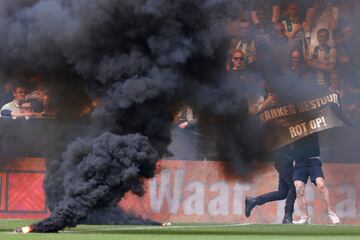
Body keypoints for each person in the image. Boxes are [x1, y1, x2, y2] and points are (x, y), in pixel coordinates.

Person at [292, 134, 340, 224]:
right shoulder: (293, 124)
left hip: (313, 160)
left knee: (321, 185)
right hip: (299, 161)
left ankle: (331, 213)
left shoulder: (312, 123)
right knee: (299, 188)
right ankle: (305, 217)